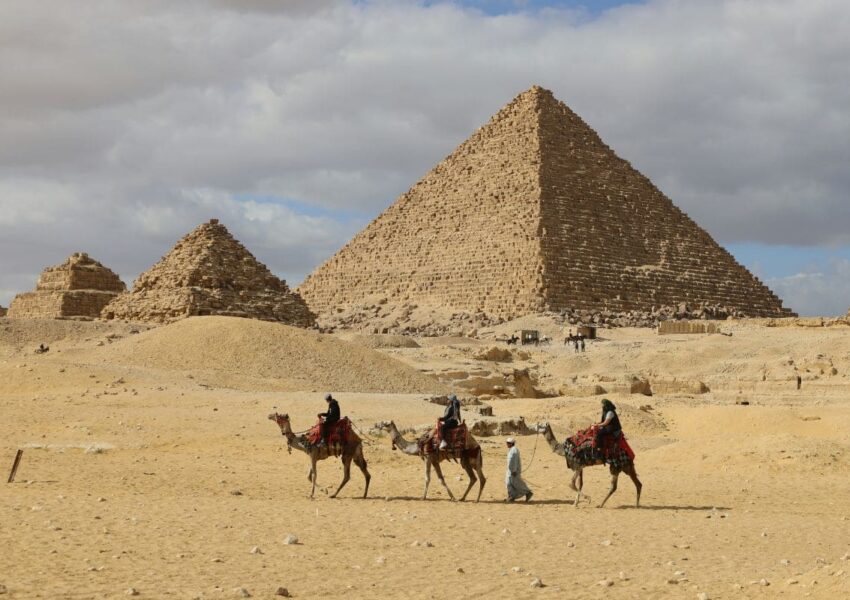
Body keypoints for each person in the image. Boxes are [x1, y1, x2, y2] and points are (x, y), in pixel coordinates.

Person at [505, 438, 532, 502]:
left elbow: (514, 461)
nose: (507, 444)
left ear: (512, 443)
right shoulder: (511, 450)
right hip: (510, 470)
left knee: (517, 484)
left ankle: (528, 493)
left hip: (514, 471)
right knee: (509, 483)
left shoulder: (514, 450)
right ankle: (511, 496)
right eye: (507, 442)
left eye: (508, 443)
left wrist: (514, 470)